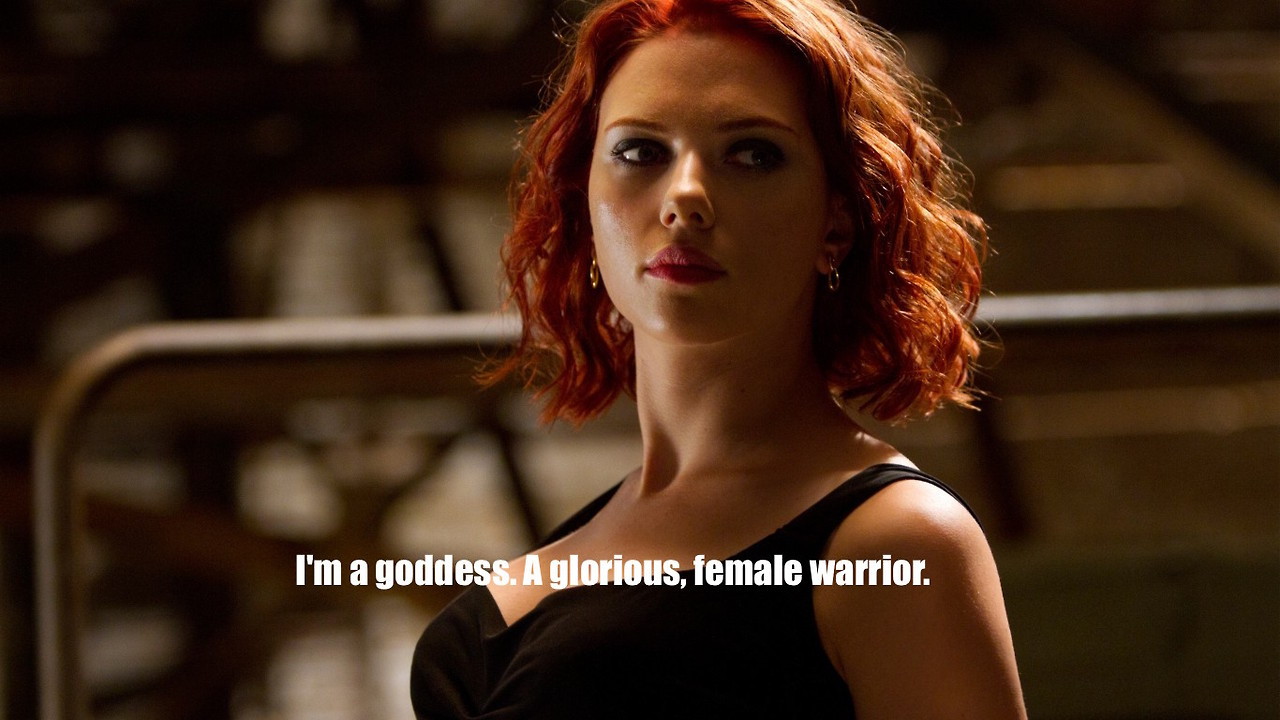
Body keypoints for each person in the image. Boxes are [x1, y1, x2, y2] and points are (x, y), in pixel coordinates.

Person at [412, 0, 1026, 717]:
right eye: (640, 152)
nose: (686, 197)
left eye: (753, 154)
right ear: (584, 202)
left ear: (837, 222)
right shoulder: (586, 538)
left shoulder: (897, 541)